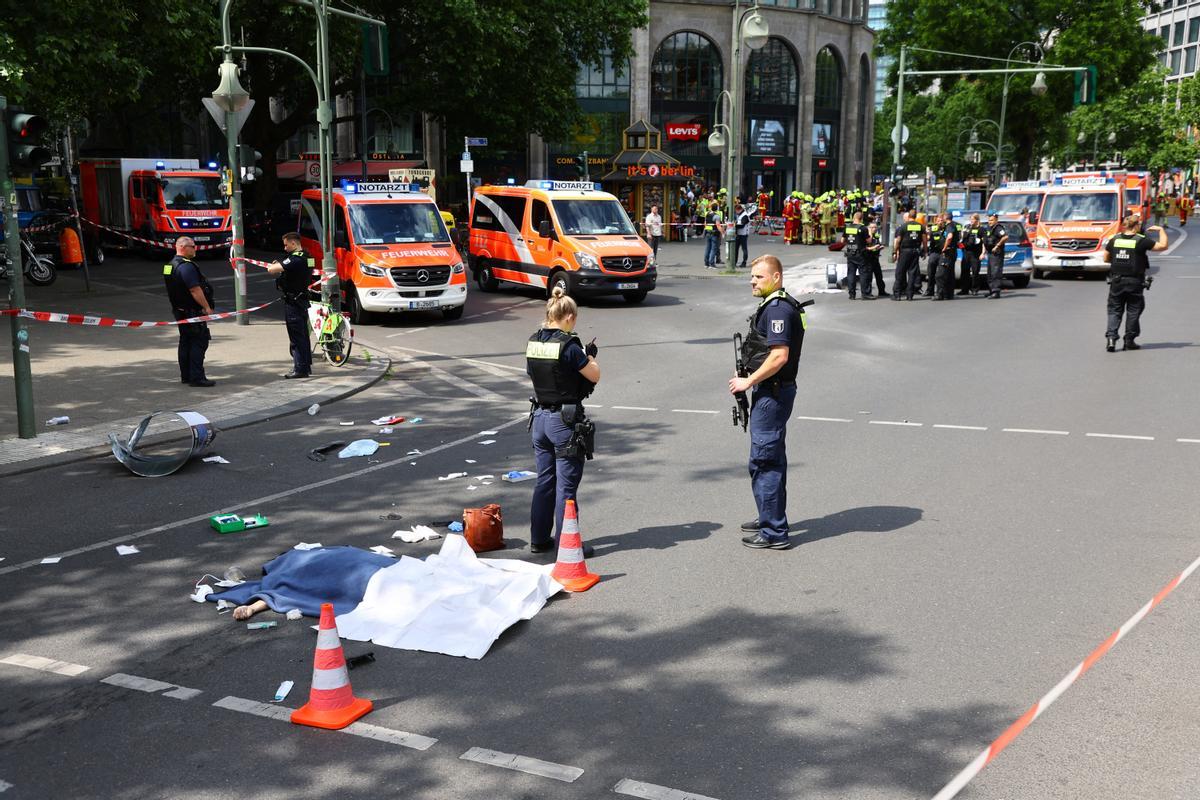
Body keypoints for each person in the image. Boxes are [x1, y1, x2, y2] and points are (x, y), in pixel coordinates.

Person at [730, 255, 806, 549]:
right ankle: (768, 515)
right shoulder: (778, 304)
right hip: (774, 390)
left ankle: (773, 532)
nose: (753, 281)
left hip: (772, 393)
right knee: (771, 457)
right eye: (752, 277)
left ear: (776, 278)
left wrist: (748, 381)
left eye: (759, 277)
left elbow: (779, 356)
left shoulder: (777, 310)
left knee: (765, 460)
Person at [526, 287, 601, 554]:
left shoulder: (534, 341)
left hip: (539, 420)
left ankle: (538, 540)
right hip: (563, 421)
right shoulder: (569, 345)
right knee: (566, 487)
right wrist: (589, 356)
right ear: (568, 316)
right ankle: (566, 545)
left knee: (544, 481)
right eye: (575, 318)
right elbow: (593, 375)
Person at [1104, 215, 1167, 351]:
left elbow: (1105, 258)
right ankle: (1129, 340)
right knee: (1133, 311)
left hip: (1117, 281)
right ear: (1136, 226)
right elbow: (1163, 246)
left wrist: (1117, 261)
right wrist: (1161, 230)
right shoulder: (1141, 240)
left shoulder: (1114, 239)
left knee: (1114, 310)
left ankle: (1111, 339)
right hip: (1135, 282)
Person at [163, 236, 215, 387]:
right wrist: (206, 307)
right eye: (193, 246)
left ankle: (186, 375)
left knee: (185, 342)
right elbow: (194, 289)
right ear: (183, 247)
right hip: (193, 311)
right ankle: (197, 377)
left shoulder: (169, 265)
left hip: (179, 311)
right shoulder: (186, 266)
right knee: (198, 342)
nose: (195, 248)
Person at [266, 232, 314, 378]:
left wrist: (274, 266)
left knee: (296, 337)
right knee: (303, 336)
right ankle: (305, 366)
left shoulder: (296, 259)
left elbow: (271, 270)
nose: (285, 248)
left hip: (293, 302)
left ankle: (300, 369)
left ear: (294, 243)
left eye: (286, 245)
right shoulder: (308, 257)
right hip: (301, 299)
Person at [891, 211, 925, 300]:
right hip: (915, 251)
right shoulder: (921, 227)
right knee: (912, 273)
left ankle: (897, 295)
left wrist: (895, 252)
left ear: (909, 216)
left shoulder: (903, 226)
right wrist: (924, 251)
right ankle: (910, 295)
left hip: (905, 251)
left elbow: (898, 240)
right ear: (916, 216)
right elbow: (924, 240)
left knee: (900, 272)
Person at [842, 211, 871, 300]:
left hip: (850, 253)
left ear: (853, 218)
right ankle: (864, 294)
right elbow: (869, 241)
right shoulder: (863, 228)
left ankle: (852, 294)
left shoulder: (847, 227)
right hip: (860, 254)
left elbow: (842, 240)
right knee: (863, 274)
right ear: (861, 219)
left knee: (851, 274)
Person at [933, 211, 959, 300]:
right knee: (949, 274)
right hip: (952, 252)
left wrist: (944, 247)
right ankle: (948, 294)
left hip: (948, 253)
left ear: (945, 217)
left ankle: (939, 294)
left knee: (940, 275)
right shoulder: (952, 225)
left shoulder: (950, 226)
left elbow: (950, 237)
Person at [983, 212, 1009, 299]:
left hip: (996, 254)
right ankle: (991, 290)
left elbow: (1005, 237)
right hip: (990, 253)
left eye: (991, 220)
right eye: (989, 220)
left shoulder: (998, 228)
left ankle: (996, 292)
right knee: (990, 273)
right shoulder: (989, 228)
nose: (989, 221)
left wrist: (997, 246)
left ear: (996, 220)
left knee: (995, 272)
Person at [958, 214, 984, 296]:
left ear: (977, 220)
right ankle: (964, 289)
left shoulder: (981, 229)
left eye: (973, 219)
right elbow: (961, 238)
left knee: (975, 272)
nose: (971, 221)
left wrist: (983, 253)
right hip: (966, 252)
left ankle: (974, 289)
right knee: (964, 271)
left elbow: (983, 243)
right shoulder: (967, 227)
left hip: (975, 253)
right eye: (971, 219)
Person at [863, 222, 889, 297]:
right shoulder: (867, 236)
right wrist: (870, 234)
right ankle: (868, 293)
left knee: (879, 276)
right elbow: (865, 247)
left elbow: (878, 244)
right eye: (872, 227)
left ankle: (882, 291)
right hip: (868, 259)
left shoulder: (876, 236)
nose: (874, 229)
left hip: (875, 258)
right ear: (868, 228)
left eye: (875, 227)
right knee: (869, 277)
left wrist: (880, 247)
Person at [704, 203, 723, 268]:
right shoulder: (716, 216)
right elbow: (718, 226)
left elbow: (705, 224)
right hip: (714, 234)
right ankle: (711, 263)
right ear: (717, 208)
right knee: (713, 249)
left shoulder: (707, 214)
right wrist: (723, 232)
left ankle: (706, 264)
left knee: (707, 248)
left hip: (708, 233)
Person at [734, 203, 752, 268]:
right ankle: (734, 262)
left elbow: (742, 225)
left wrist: (734, 226)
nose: (736, 212)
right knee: (735, 249)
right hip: (739, 234)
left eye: (736, 210)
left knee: (744, 249)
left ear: (740, 209)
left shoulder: (745, 216)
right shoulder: (740, 215)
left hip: (744, 234)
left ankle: (744, 262)